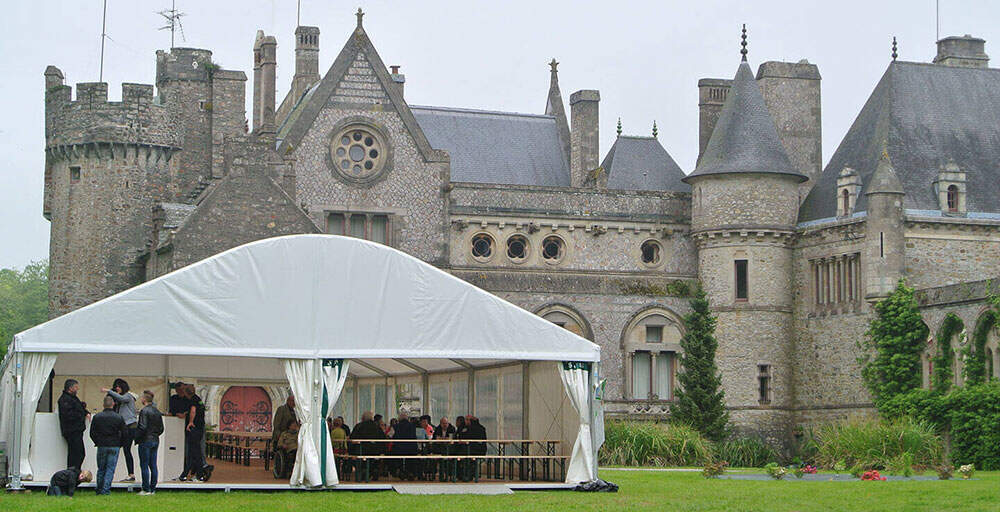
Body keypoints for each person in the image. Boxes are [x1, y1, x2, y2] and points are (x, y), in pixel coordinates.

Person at [102, 378, 137, 482]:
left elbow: (121, 399)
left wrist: (109, 391)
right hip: (123, 426)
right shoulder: (119, 398)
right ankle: (125, 473)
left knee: (126, 450)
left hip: (129, 426)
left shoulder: (128, 396)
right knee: (119, 449)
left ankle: (131, 474)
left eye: (118, 386)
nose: (117, 389)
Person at [90, 395, 126, 495]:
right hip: (114, 445)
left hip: (102, 444)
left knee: (101, 468)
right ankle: (105, 489)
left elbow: (92, 433)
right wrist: (120, 443)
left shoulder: (97, 417)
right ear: (113, 404)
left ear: (103, 405)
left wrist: (97, 442)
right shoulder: (118, 417)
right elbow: (124, 433)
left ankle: (99, 488)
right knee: (110, 468)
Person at [181, 384, 214, 482]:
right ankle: (186, 474)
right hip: (200, 428)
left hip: (194, 429)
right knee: (194, 452)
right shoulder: (198, 399)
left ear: (186, 393)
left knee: (195, 452)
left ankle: (199, 474)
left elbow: (193, 411)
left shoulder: (192, 401)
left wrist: (190, 422)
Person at [135, 390, 164, 496]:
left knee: (144, 465)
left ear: (144, 399)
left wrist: (136, 436)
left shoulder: (144, 411)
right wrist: (155, 434)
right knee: (153, 465)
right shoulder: (157, 411)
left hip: (145, 440)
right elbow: (161, 428)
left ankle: (146, 488)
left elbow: (142, 427)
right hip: (155, 440)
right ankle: (153, 488)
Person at [57, 379, 89, 470]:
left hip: (75, 430)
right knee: (77, 453)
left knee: (77, 453)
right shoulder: (65, 399)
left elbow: (78, 408)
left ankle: (74, 471)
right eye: (75, 387)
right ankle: (73, 471)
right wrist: (81, 414)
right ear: (70, 388)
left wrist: (85, 412)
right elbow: (69, 415)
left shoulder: (71, 398)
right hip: (72, 430)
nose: (77, 389)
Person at [351, 411, 387, 480]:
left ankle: (363, 473)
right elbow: (383, 438)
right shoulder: (377, 427)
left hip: (362, 450)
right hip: (375, 451)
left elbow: (353, 438)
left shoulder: (359, 426)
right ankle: (373, 470)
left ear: (363, 418)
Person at [168, 382, 191, 481]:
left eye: (182, 389)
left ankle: (186, 470)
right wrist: (175, 414)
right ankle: (176, 469)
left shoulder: (189, 399)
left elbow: (192, 410)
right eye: (178, 390)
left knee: (187, 449)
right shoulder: (173, 398)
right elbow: (171, 410)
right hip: (175, 426)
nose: (180, 391)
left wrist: (186, 414)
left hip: (187, 426)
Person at [390, 410, 418, 480]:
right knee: (411, 459)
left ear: (399, 419)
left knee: (393, 456)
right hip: (411, 449)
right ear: (407, 418)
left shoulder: (395, 426)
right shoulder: (413, 426)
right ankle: (410, 472)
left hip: (398, 449)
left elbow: (390, 436)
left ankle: (398, 470)